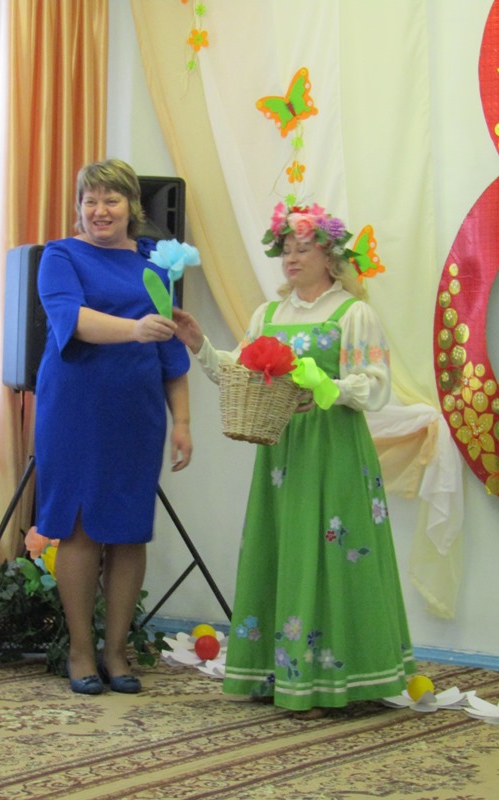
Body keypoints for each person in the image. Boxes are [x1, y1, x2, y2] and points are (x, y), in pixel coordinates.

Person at [173, 202, 415, 712]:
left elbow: (375, 387)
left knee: (335, 550)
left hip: (335, 448)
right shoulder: (267, 315)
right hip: (282, 451)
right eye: (286, 249)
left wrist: (327, 388)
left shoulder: (354, 313)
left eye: (304, 248)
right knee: (283, 546)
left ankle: (338, 676)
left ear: (331, 257)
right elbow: (238, 372)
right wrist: (199, 344)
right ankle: (279, 671)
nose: (292, 258)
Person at [34, 159, 192, 695]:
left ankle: (117, 651)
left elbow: (171, 350)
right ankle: (81, 651)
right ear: (79, 208)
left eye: (111, 199)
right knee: (79, 529)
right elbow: (73, 319)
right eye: (90, 200)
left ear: (132, 207)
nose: (100, 210)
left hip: (136, 413)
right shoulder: (60, 255)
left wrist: (183, 421)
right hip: (74, 410)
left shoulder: (157, 264)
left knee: (128, 530)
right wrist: (134, 329)